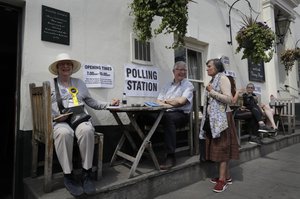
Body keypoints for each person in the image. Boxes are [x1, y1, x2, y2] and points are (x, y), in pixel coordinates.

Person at [49, 53, 119, 197]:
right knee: (64, 133)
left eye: (68, 64)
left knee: (87, 130)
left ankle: (86, 174)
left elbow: (91, 102)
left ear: (72, 67)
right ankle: (68, 176)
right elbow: (44, 108)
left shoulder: (79, 83)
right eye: (62, 64)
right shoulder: (50, 84)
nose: (65, 66)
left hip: (79, 119)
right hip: (60, 122)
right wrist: (55, 117)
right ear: (57, 68)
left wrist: (109, 104)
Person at [138, 61, 194, 170]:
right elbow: (158, 101)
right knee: (141, 116)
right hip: (164, 112)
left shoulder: (188, 85)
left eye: (184, 70)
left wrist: (166, 101)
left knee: (168, 119)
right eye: (179, 69)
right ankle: (140, 151)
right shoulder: (167, 85)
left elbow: (181, 102)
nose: (182, 72)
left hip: (181, 114)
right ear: (174, 71)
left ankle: (170, 156)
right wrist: (171, 102)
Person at [199, 58, 239, 193]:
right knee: (219, 148)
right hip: (214, 119)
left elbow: (229, 99)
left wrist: (212, 92)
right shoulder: (213, 80)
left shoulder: (223, 79)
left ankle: (222, 181)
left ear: (216, 67)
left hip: (222, 118)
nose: (207, 69)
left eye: (209, 66)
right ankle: (226, 177)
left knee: (222, 148)